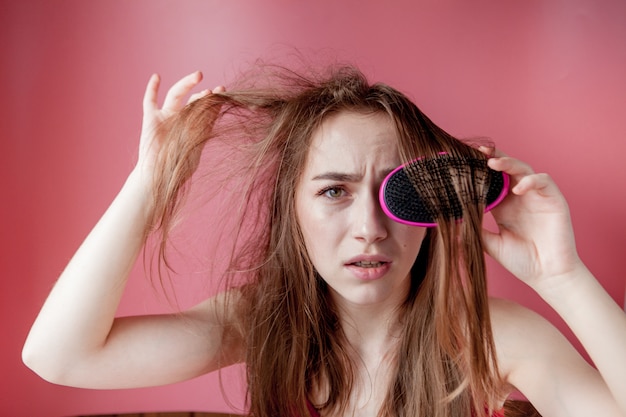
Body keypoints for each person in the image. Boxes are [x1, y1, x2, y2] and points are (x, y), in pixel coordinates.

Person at [22, 63, 626, 417]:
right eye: (334, 192)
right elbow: (60, 357)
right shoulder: (260, 323)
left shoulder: (488, 335)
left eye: (397, 190)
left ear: (434, 207)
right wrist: (150, 181)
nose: (368, 227)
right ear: (295, 212)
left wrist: (561, 276)